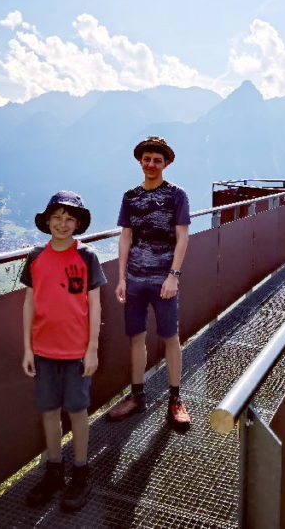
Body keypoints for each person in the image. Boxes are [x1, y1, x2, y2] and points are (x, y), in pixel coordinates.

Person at [20, 191, 107, 511]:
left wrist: (92, 349)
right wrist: (27, 348)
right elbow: (29, 303)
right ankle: (54, 471)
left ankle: (81, 474)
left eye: (70, 218)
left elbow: (95, 305)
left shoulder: (87, 256)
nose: (62, 223)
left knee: (78, 411)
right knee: (48, 412)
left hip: (76, 351)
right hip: (43, 350)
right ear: (46, 221)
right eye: (56, 217)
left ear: (79, 223)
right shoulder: (35, 256)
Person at [107, 136, 192, 429]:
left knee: (171, 338)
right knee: (136, 338)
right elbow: (126, 238)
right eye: (147, 159)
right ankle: (137, 396)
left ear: (166, 163)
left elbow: (182, 236)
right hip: (134, 279)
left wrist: (173, 275)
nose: (151, 164)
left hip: (163, 280)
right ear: (140, 161)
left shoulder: (176, 195)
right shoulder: (130, 196)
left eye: (157, 160)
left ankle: (175, 400)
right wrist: (120, 278)